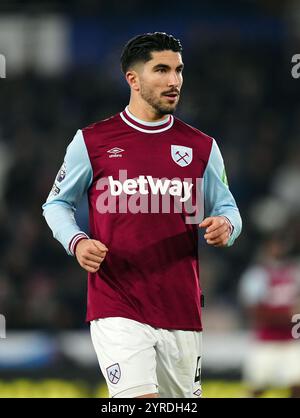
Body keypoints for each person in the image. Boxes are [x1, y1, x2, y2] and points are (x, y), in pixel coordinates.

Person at [42, 32, 242, 398]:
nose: (174, 81)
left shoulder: (201, 147)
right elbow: (55, 204)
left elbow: (228, 207)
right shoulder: (92, 142)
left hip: (181, 308)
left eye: (179, 70)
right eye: (162, 70)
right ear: (133, 79)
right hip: (117, 303)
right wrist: (77, 240)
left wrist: (226, 224)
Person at [238, 232, 300, 398]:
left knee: (296, 385)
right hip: (265, 339)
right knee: (257, 387)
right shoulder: (257, 275)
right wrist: (285, 316)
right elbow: (253, 310)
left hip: (292, 339)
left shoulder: (295, 272)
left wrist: (290, 316)